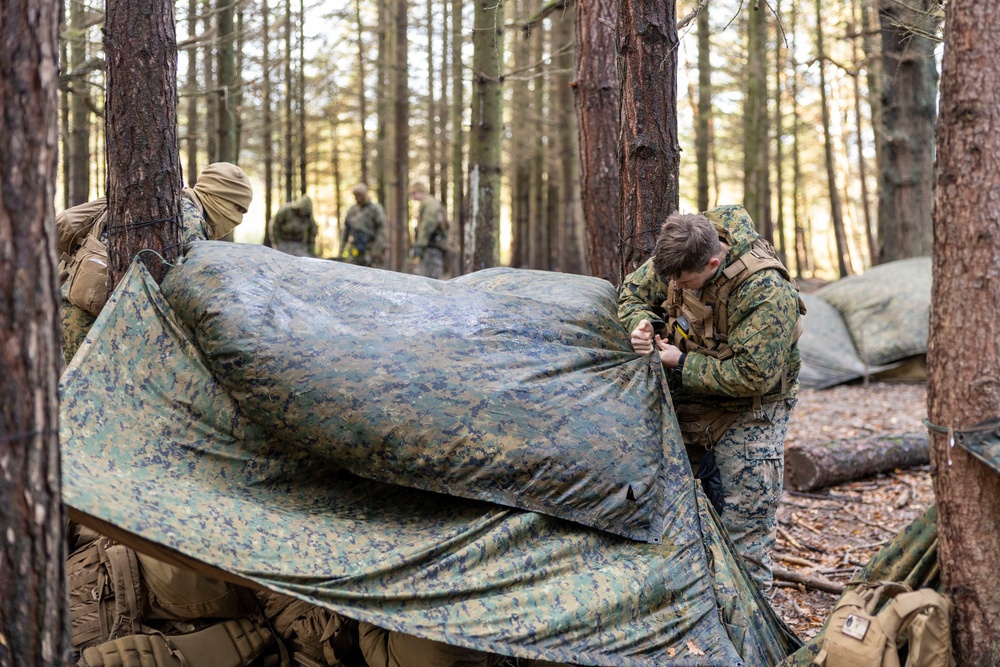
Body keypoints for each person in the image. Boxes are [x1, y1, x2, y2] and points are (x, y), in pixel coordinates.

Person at [617, 205, 803, 591]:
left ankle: (751, 643)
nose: (678, 289)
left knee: (745, 536)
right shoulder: (682, 251)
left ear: (713, 263)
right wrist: (642, 324)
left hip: (752, 410)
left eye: (686, 283)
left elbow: (755, 376)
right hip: (691, 397)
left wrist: (681, 361)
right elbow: (633, 291)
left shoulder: (766, 293)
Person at [58, 162, 254, 362]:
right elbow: (190, 291)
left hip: (83, 303)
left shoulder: (175, 203)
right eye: (237, 208)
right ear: (218, 197)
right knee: (94, 389)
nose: (238, 218)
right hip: (88, 314)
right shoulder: (188, 220)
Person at [408, 181, 449, 279]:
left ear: (420, 191)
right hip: (430, 247)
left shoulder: (429, 203)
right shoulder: (428, 203)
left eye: (413, 193)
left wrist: (420, 245)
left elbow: (428, 225)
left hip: (432, 248)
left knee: (430, 280)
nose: (412, 197)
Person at [340, 183, 387, 268]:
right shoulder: (352, 209)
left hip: (371, 247)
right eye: (356, 196)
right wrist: (341, 249)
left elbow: (381, 231)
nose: (357, 199)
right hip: (355, 248)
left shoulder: (375, 209)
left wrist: (376, 251)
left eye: (360, 196)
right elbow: (346, 230)